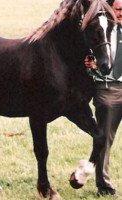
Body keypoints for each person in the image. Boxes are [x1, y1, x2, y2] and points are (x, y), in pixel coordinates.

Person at [85, 0, 122, 196]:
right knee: (105, 138)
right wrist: (90, 68)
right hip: (108, 90)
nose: (121, 12)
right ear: (110, 11)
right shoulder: (100, 31)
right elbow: (86, 62)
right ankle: (104, 185)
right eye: (118, 9)